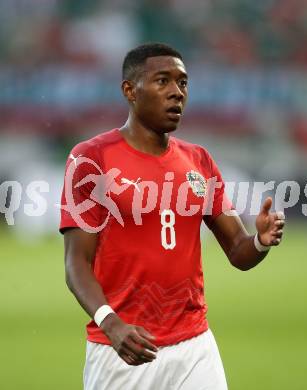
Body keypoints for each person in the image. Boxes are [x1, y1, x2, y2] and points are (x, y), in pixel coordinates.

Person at [60, 43, 285, 390]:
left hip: (195, 348)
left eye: (182, 83)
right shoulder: (92, 160)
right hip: (123, 348)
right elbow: (76, 264)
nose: (177, 93)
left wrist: (260, 240)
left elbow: (239, 251)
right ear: (129, 90)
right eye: (162, 81)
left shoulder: (199, 161)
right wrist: (111, 323)